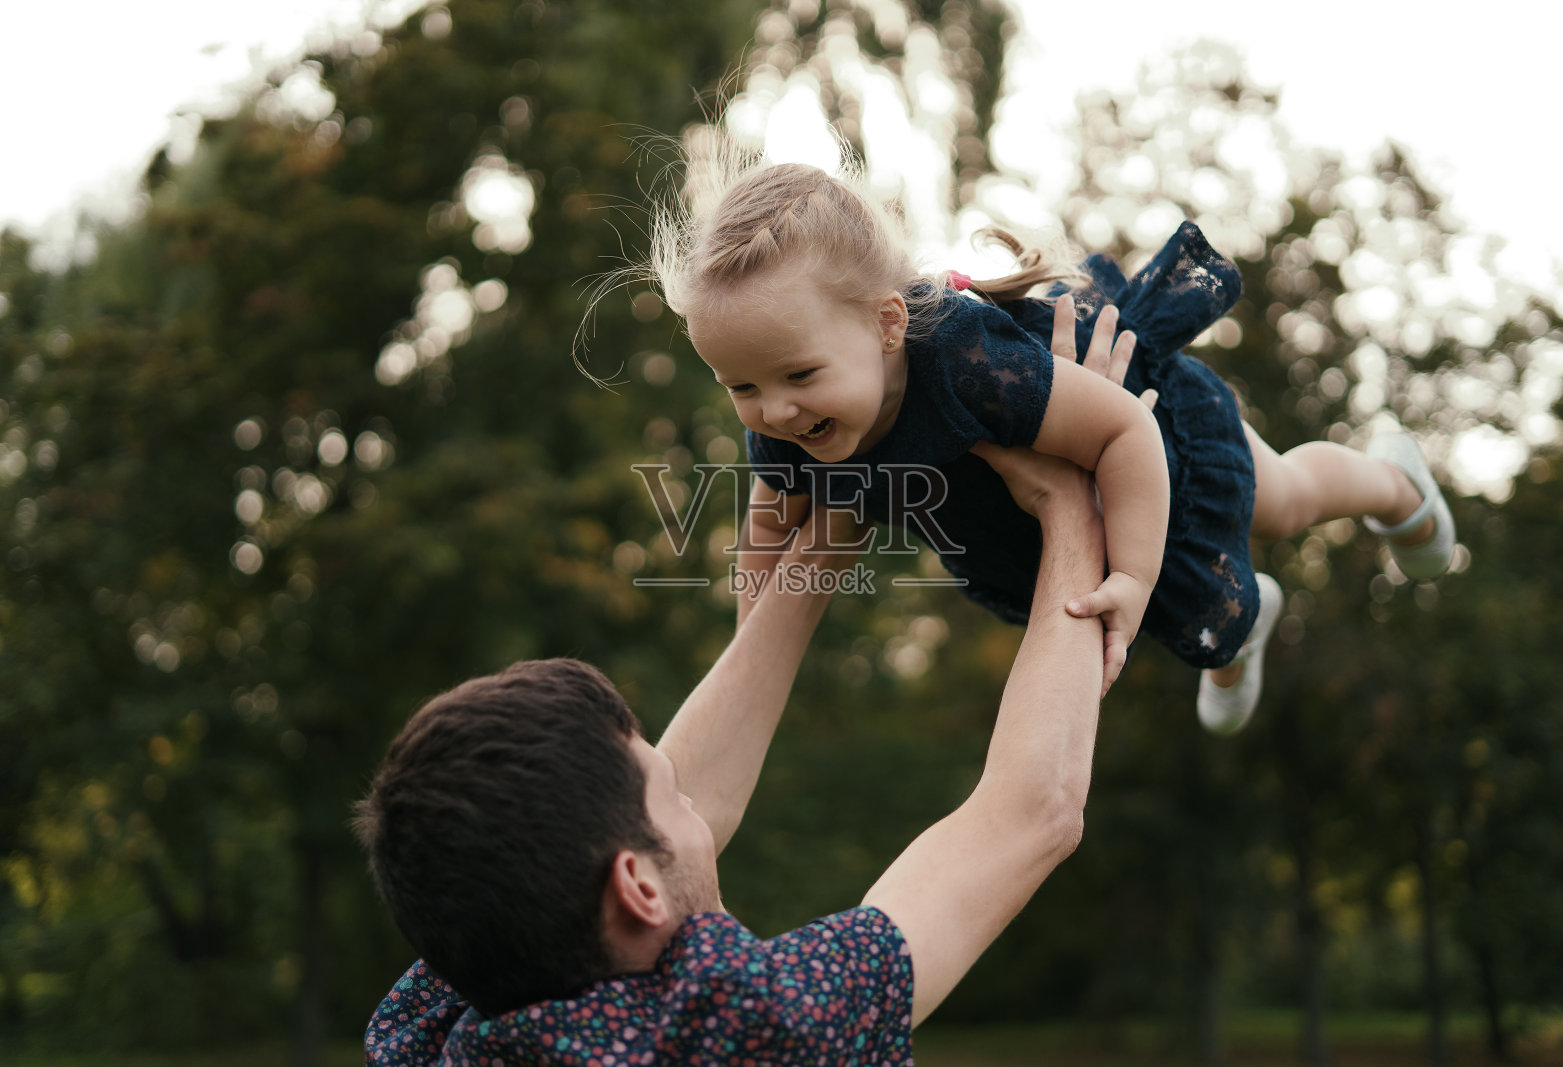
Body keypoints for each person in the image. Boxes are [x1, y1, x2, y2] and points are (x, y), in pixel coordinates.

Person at [355, 436, 1107, 1064]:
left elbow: (642, 827)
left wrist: (844, 505)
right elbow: (1032, 811)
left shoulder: (434, 1023)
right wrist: (1071, 502)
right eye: (670, 794)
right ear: (637, 888)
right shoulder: (747, 1034)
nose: (695, 806)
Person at [650, 156, 1457, 732]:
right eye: (742, 386)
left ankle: (1396, 485)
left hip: (1145, 433)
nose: (777, 411)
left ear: (887, 324)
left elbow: (1123, 429)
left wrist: (1137, 578)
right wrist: (748, 643)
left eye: (797, 375)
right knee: (1196, 606)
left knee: (1281, 500)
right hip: (1028, 526)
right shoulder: (788, 428)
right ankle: (1237, 626)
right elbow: (767, 530)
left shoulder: (969, 364)